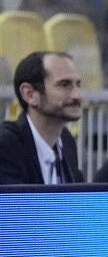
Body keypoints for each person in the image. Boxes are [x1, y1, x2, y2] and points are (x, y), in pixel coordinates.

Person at [0, 52, 86, 185]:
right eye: (64, 84)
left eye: (78, 85)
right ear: (30, 95)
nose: (77, 95)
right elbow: (16, 205)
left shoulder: (66, 141)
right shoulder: (6, 145)